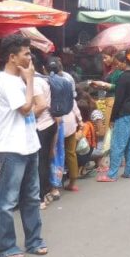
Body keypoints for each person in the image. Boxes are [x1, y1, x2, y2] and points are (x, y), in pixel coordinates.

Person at [0, 32, 46, 257]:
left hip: (29, 144)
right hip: (12, 147)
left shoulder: (19, 80)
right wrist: (31, 79)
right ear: (12, 57)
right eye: (26, 53)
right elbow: (26, 108)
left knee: (31, 197)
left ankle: (34, 241)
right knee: (7, 201)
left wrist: (29, 82)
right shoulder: (6, 81)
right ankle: (6, 247)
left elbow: (36, 106)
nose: (29, 57)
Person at [97, 50, 130, 183]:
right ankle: (129, 171)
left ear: (123, 63)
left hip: (125, 115)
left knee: (117, 144)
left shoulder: (123, 78)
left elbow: (118, 101)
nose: (116, 66)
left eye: (117, 63)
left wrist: (112, 118)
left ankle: (111, 175)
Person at [49, 58, 84, 191]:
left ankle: (55, 186)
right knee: (70, 153)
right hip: (70, 120)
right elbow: (73, 102)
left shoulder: (50, 82)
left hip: (58, 121)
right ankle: (73, 182)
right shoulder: (68, 79)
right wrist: (80, 120)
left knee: (56, 153)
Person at [30, 55, 60, 208]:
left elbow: (41, 105)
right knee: (46, 160)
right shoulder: (44, 80)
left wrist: (26, 117)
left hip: (41, 125)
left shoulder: (34, 82)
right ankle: (47, 191)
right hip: (51, 123)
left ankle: (41, 197)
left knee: (40, 162)